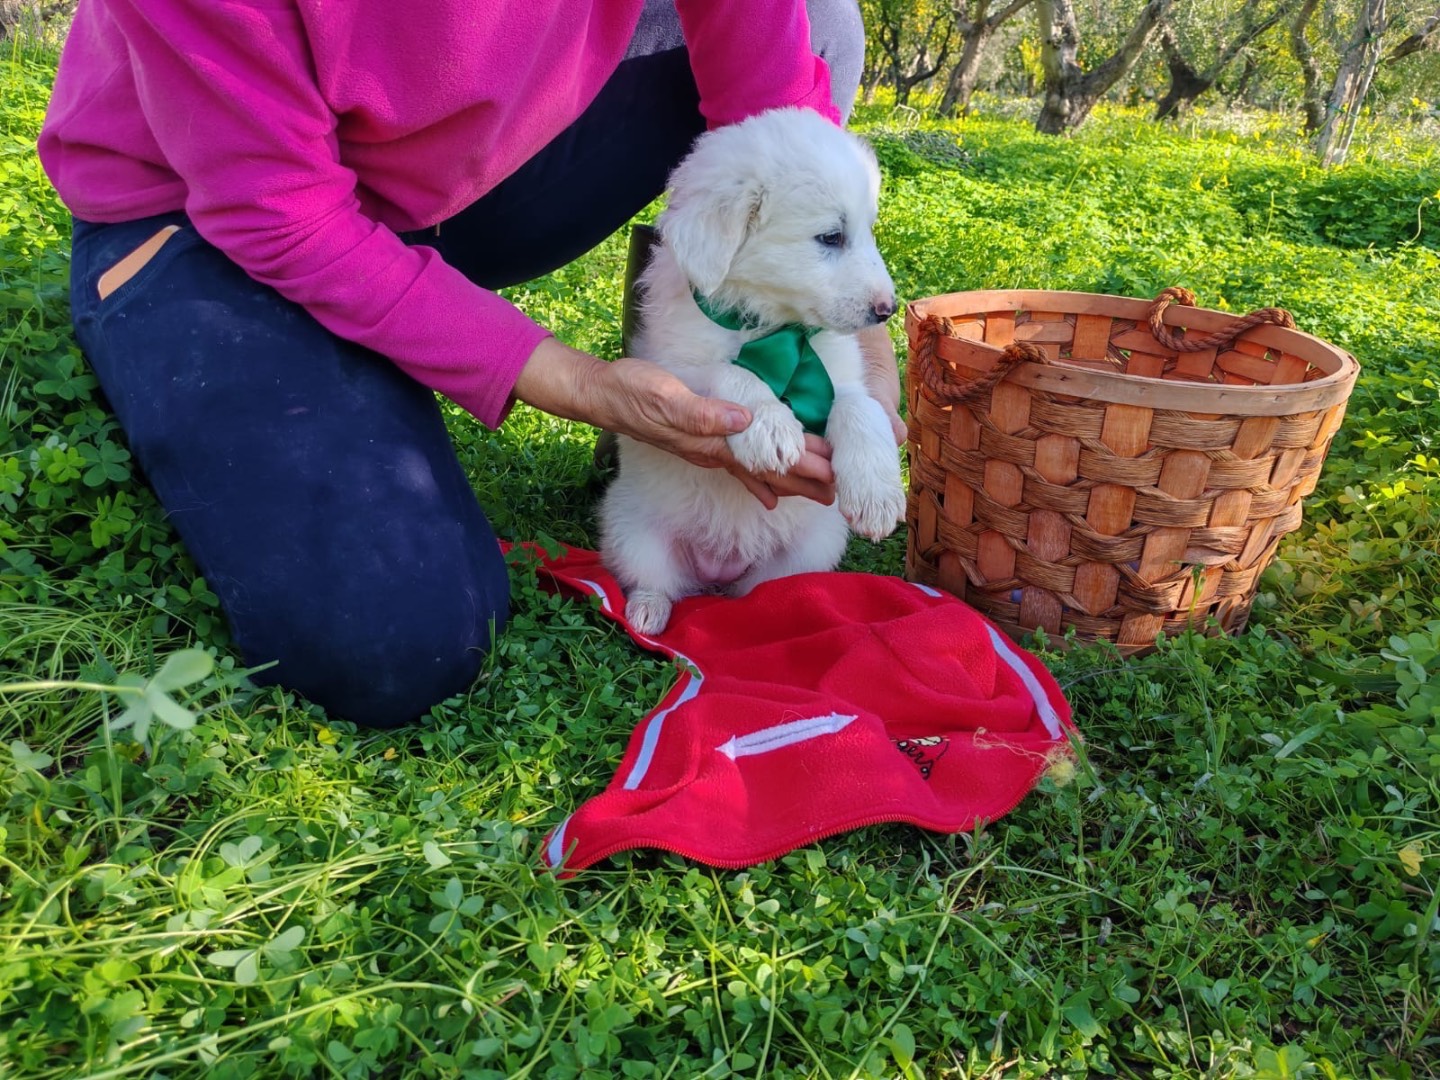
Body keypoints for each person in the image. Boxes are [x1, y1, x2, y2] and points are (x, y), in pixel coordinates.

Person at [38, 0, 904, 728]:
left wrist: (857, 361)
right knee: (394, 634)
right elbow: (281, 215)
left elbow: (778, 99)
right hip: (215, 208)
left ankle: (702, 333)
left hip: (457, 172)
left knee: (815, 22)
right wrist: (584, 384)